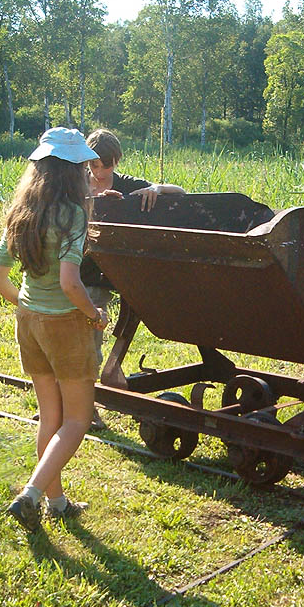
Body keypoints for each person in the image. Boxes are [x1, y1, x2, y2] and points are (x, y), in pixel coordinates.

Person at [0, 127, 109, 532]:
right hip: (65, 325)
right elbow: (70, 283)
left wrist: (25, 304)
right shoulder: (72, 214)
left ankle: (56, 502)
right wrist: (95, 315)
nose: (89, 174)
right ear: (71, 171)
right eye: (84, 167)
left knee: (50, 417)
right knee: (76, 420)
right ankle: (32, 494)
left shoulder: (22, 212)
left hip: (29, 321)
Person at [83, 129, 186, 429]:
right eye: (94, 166)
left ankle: (88, 405)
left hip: (111, 275)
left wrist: (157, 187)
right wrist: (95, 201)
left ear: (116, 161)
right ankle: (71, 405)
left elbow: (180, 193)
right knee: (68, 340)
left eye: (106, 166)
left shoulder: (127, 184)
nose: (100, 172)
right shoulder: (76, 186)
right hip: (79, 271)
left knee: (91, 342)